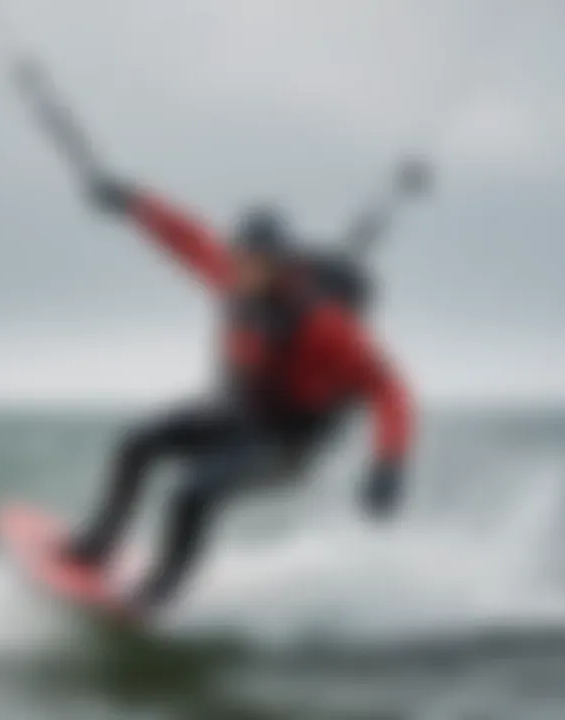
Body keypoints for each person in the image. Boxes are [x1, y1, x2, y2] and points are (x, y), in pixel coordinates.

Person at [63, 174, 414, 613]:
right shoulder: (232, 277)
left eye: (257, 261)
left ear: (281, 265)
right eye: (240, 257)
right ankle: (99, 542)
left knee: (191, 493)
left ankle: (160, 591)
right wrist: (132, 202)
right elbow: (185, 237)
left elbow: (389, 388)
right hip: (240, 415)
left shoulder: (325, 325)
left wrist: (390, 463)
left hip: (288, 445)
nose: (243, 269)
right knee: (139, 440)